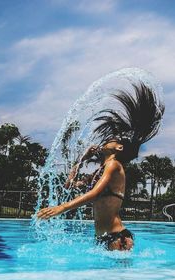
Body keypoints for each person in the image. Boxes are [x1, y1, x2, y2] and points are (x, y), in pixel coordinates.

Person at [37, 82, 164, 251]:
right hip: (102, 238)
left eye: (111, 139)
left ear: (119, 147)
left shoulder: (114, 165)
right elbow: (69, 185)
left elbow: (95, 193)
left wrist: (61, 208)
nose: (106, 140)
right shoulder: (100, 172)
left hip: (118, 237)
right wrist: (81, 160)